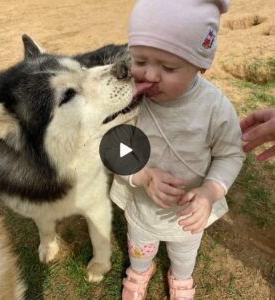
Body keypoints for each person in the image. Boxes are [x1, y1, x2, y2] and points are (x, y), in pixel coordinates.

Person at [109, 0, 245, 299]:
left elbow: (230, 153)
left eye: (169, 67)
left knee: (184, 252)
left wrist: (210, 192)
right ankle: (140, 270)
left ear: (201, 64)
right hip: (142, 205)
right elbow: (113, 144)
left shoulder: (215, 107)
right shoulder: (128, 99)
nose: (150, 75)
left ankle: (181, 277)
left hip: (187, 213)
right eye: (140, 61)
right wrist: (142, 175)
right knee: (140, 247)